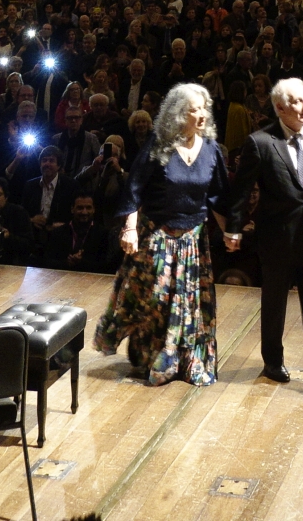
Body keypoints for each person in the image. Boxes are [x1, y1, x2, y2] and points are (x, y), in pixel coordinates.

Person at [94, 83, 230, 387]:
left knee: (190, 305)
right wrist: (129, 227)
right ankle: (152, 356)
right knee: (155, 301)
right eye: (196, 109)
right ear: (179, 113)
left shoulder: (211, 150)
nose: (202, 114)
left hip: (193, 240)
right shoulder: (158, 144)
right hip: (158, 236)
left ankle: (187, 361)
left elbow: (219, 197)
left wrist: (229, 230)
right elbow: (134, 189)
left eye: (205, 108)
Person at [226, 78, 303, 397]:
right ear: (280, 108)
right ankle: (273, 362)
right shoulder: (260, 142)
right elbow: (240, 192)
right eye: (296, 101)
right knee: (275, 303)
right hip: (277, 239)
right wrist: (234, 227)